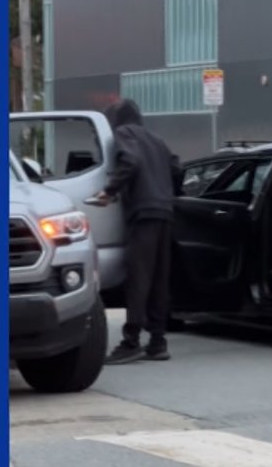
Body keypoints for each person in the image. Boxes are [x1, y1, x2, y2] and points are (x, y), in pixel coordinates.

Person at [94, 99, 183, 365]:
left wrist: (109, 191)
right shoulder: (156, 139)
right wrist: (170, 194)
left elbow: (130, 161)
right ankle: (158, 341)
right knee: (158, 279)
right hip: (164, 213)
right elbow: (177, 167)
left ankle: (130, 340)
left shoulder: (124, 134)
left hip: (143, 214)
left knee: (139, 278)